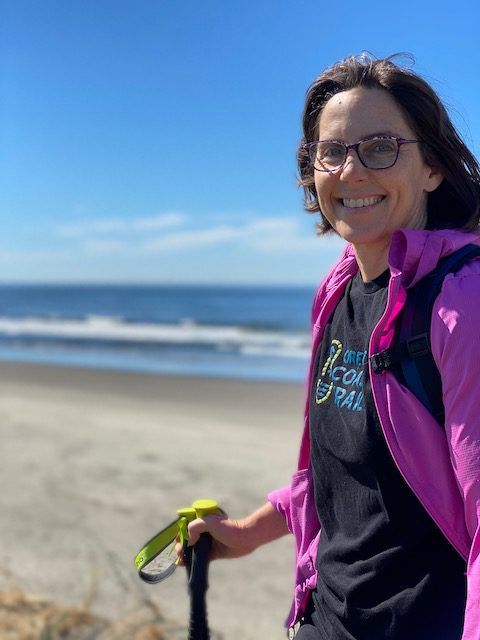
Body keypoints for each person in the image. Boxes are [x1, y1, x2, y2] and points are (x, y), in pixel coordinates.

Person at [179, 54, 480, 640]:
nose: (352, 171)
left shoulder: (461, 305)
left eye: (381, 147)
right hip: (323, 618)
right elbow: (336, 472)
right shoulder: (341, 289)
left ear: (434, 168)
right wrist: (246, 531)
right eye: (333, 152)